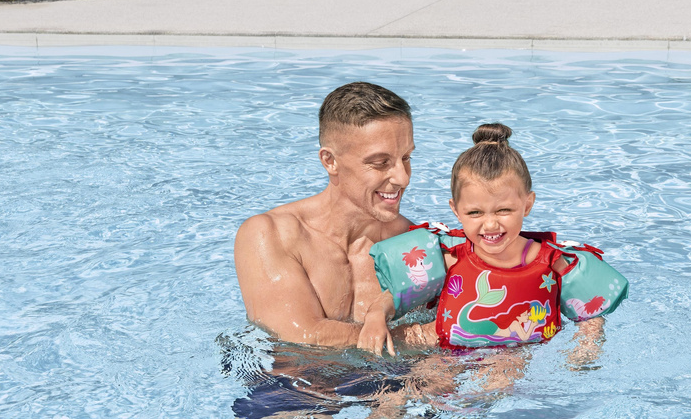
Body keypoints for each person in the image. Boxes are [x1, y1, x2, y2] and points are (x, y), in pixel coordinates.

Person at [368, 122, 605, 351]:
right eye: (475, 213)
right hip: (447, 352)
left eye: (504, 210)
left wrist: (586, 346)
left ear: (527, 204)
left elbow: (590, 314)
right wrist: (376, 316)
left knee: (508, 365)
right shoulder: (451, 257)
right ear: (456, 210)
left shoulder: (554, 262)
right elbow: (395, 296)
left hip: (515, 355)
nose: (490, 224)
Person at [234, 82, 418, 357]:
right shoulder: (271, 234)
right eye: (381, 162)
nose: (403, 178)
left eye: (406, 157)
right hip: (290, 378)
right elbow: (299, 336)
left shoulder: (411, 241)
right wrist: (421, 336)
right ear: (330, 161)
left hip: (389, 376)